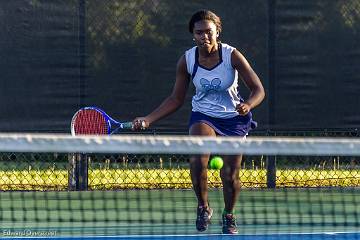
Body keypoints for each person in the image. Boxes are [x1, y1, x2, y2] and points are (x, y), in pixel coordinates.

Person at [133, 9, 265, 234]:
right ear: (193, 35)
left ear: (217, 32)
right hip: (203, 115)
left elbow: (258, 89)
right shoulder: (187, 60)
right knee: (197, 159)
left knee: (230, 175)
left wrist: (249, 105)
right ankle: (203, 207)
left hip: (234, 119)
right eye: (199, 32)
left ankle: (229, 214)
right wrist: (148, 119)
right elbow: (176, 99)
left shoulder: (232, 55)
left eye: (209, 32)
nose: (204, 36)